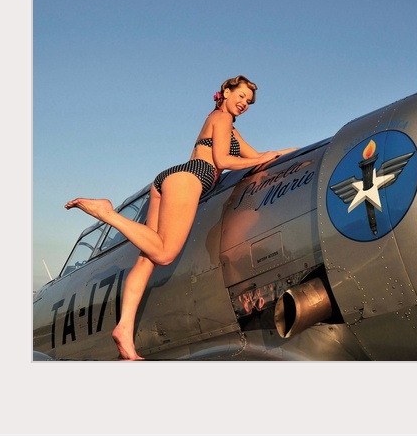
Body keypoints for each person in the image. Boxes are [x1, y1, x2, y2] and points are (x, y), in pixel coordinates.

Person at [65, 75, 298, 360]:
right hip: (192, 179)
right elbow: (223, 161)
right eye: (240, 96)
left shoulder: (225, 125)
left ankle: (124, 330)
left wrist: (294, 153)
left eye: (248, 102)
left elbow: (263, 156)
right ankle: (107, 213)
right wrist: (260, 159)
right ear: (225, 91)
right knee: (164, 254)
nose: (244, 104)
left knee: (146, 258)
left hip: (169, 179)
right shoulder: (222, 119)